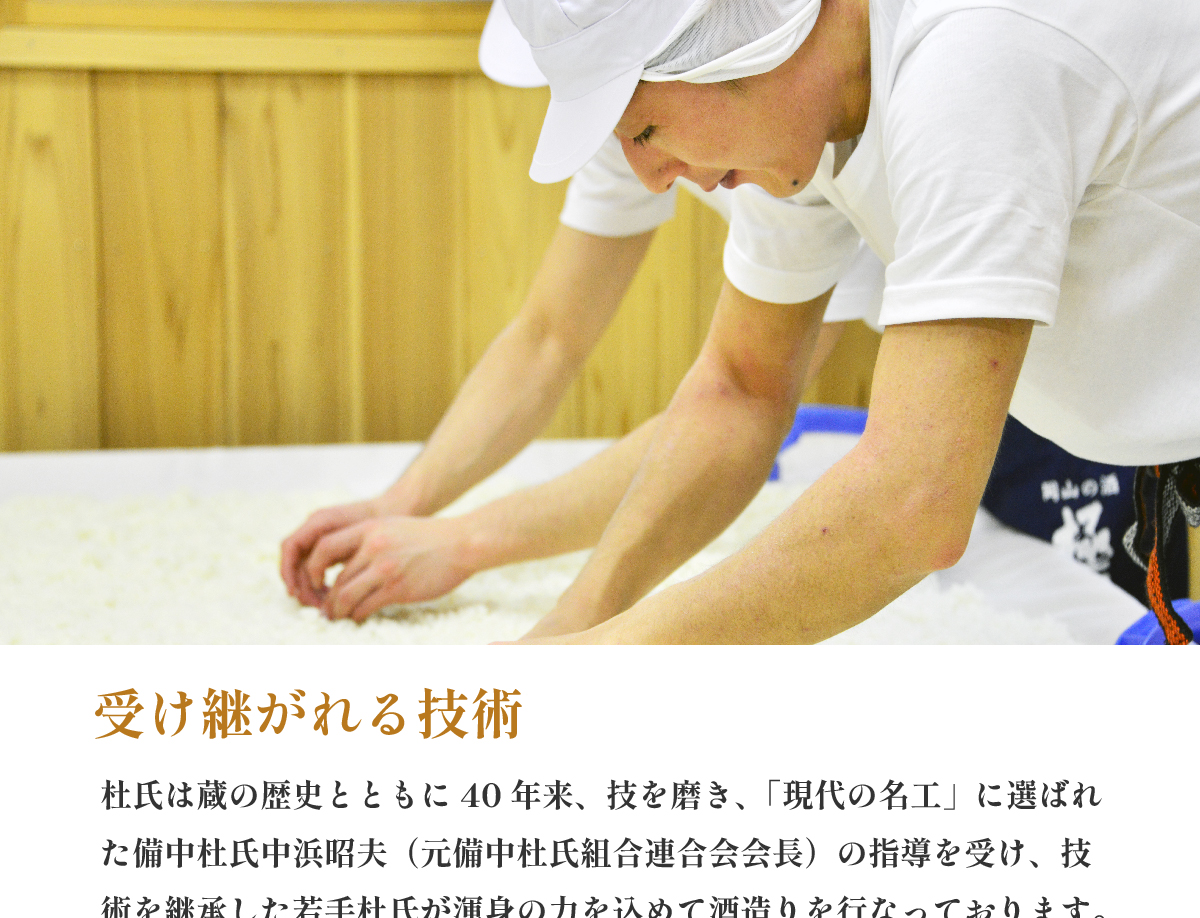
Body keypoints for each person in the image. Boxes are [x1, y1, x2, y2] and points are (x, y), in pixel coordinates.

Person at [494, 0, 1199, 644]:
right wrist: (571, 629)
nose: (649, 176)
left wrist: (611, 656)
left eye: (646, 129)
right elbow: (740, 390)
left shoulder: (975, 55)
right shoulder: (798, 115)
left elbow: (912, 500)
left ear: (733, 44)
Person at [279, 1, 881, 623]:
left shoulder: (777, 122)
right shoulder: (641, 111)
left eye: (642, 130)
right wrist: (401, 507)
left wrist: (466, 541)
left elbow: (742, 403)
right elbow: (550, 336)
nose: (647, 171)